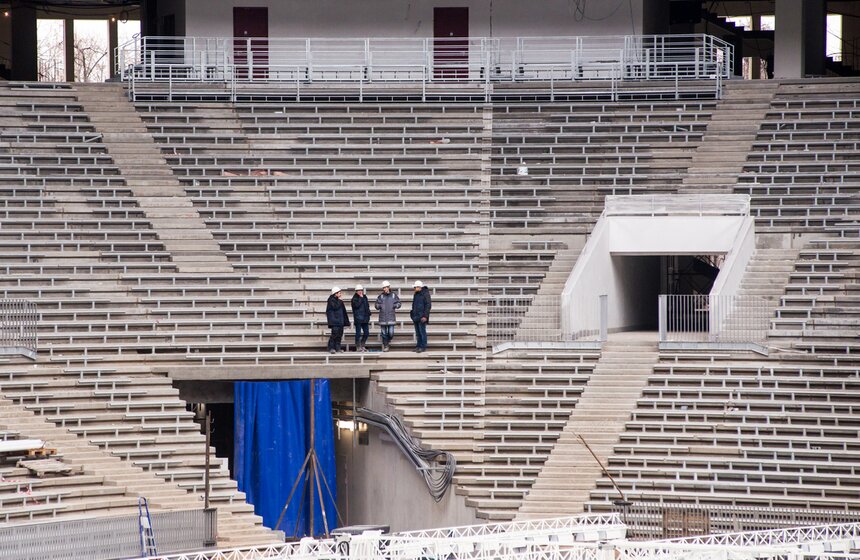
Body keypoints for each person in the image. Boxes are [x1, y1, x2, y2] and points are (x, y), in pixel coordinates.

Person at [375, 280, 400, 352]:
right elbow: (376, 305)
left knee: (391, 333)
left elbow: (399, 303)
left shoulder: (393, 295)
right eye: (384, 288)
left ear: (389, 287)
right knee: (384, 333)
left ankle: (387, 340)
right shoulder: (381, 296)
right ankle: (386, 345)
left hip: (391, 317)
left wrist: (395, 305)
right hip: (382, 317)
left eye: (386, 287)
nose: (385, 289)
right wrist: (379, 306)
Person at [325, 287, 350, 354]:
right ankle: (331, 348)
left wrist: (345, 321)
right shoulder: (331, 300)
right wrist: (340, 301)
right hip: (334, 321)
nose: (340, 294)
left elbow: (343, 311)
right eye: (339, 293)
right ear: (335, 293)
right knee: (334, 334)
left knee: (339, 335)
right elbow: (335, 307)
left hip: (340, 320)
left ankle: (338, 348)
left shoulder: (339, 301)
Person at [410, 280, 431, 353]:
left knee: (422, 332)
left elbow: (428, 306)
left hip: (422, 317)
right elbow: (414, 305)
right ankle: (418, 346)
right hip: (416, 316)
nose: (414, 288)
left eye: (415, 287)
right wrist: (412, 314)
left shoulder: (425, 294)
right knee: (418, 333)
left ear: (419, 287)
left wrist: (425, 316)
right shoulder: (416, 294)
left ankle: (423, 346)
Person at [351, 284, 371, 352]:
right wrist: (361, 298)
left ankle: (362, 344)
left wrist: (368, 313)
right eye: (358, 290)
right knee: (358, 333)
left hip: (365, 318)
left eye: (361, 290)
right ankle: (358, 346)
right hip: (358, 318)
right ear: (356, 291)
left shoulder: (365, 297)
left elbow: (367, 306)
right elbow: (356, 306)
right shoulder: (354, 299)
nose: (360, 291)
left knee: (366, 333)